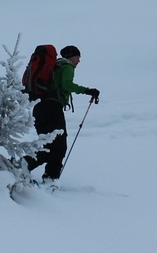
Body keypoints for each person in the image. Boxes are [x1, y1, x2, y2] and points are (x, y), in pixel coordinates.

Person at [24, 45, 100, 182]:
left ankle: (20, 166)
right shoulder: (67, 66)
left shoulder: (54, 66)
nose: (79, 61)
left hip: (39, 108)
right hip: (52, 108)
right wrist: (88, 91)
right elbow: (67, 85)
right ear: (71, 57)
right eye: (77, 57)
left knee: (48, 146)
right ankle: (50, 180)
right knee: (59, 147)